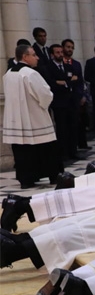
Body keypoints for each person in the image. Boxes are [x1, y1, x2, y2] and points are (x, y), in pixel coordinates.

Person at [2, 45, 64, 189]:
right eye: (34, 55)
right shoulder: (30, 74)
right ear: (25, 57)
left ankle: (27, 180)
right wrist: (45, 104)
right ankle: (54, 176)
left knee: (22, 152)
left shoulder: (8, 74)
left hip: (16, 121)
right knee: (46, 147)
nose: (37, 57)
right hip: (34, 118)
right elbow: (45, 95)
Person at [46, 44, 83, 161]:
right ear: (52, 55)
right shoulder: (49, 67)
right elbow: (51, 83)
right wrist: (67, 83)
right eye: (57, 52)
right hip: (59, 102)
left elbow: (76, 80)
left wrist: (64, 83)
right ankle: (63, 153)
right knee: (61, 128)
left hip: (71, 101)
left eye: (61, 52)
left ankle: (73, 151)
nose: (60, 54)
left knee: (73, 126)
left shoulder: (68, 67)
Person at [61, 39, 91, 151]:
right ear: (63, 48)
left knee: (77, 122)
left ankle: (78, 146)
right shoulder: (61, 64)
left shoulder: (76, 64)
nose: (70, 49)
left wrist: (82, 95)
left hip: (76, 96)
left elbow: (80, 81)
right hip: (64, 97)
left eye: (72, 47)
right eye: (68, 47)